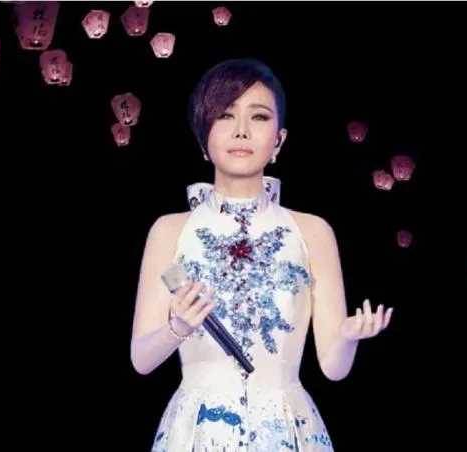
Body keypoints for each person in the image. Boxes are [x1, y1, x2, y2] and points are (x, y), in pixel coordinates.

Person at [130, 58, 393, 451]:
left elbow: (333, 369)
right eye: (224, 115)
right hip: (197, 430)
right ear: (203, 138)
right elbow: (141, 359)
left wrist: (348, 337)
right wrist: (178, 327)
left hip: (287, 428)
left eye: (258, 116)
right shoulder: (170, 230)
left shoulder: (312, 231)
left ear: (279, 140)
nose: (241, 130)